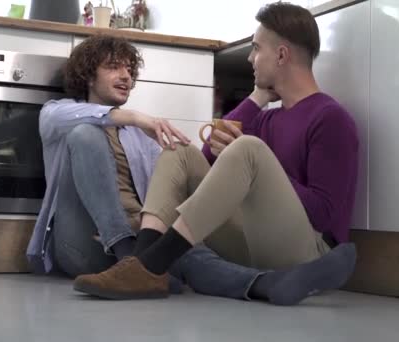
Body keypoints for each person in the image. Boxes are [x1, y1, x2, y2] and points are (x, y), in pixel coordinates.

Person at [73, 2, 359, 305]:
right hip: (254, 242)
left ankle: (149, 266)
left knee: (248, 148)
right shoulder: (267, 117)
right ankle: (142, 264)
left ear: (281, 55)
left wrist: (261, 168)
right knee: (179, 152)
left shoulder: (329, 117)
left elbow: (324, 214)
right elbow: (207, 157)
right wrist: (258, 96)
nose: (250, 57)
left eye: (256, 48)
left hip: (307, 251)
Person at [25, 35, 190, 279]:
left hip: (141, 240)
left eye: (129, 69)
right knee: (85, 134)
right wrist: (135, 117)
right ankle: (128, 258)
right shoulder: (56, 113)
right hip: (83, 244)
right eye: (114, 67)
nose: (126, 76)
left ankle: (261, 282)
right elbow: (75, 120)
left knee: (196, 259)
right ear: (89, 76)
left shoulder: (141, 136)